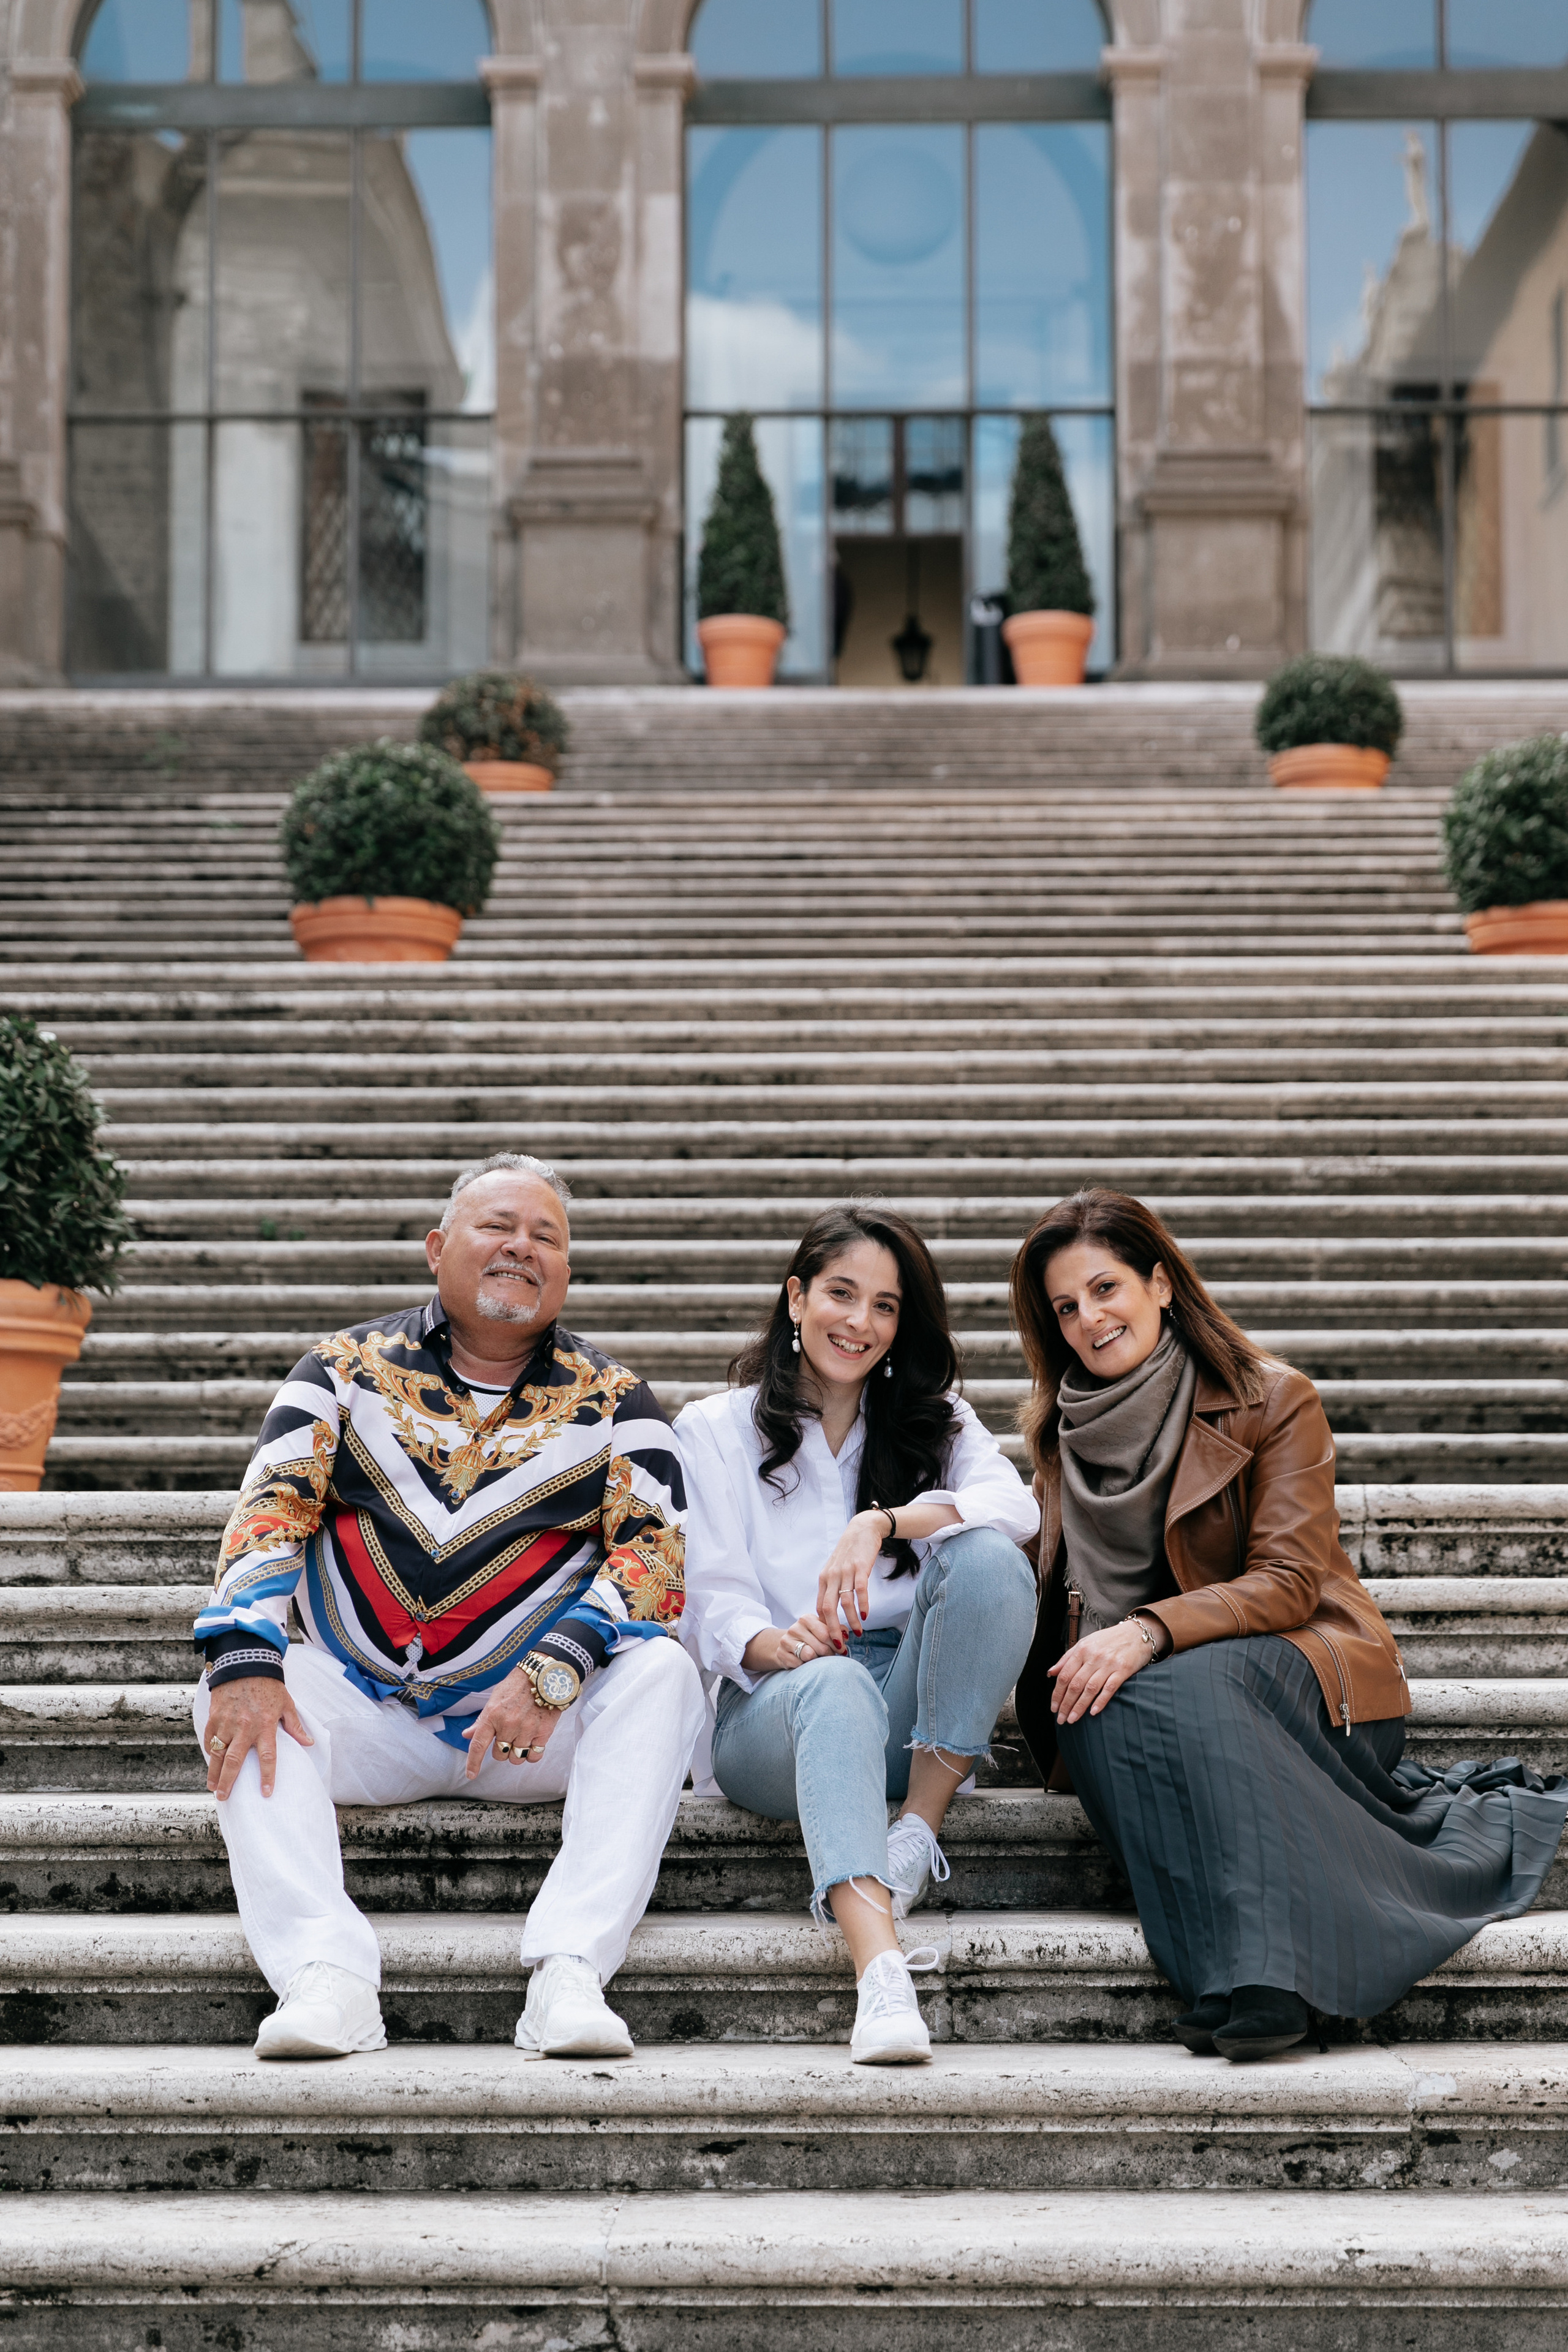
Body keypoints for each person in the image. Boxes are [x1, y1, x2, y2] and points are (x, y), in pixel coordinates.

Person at [1010, 1186, 1568, 2062]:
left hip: (1308, 1677)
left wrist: (1149, 1629)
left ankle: (1270, 1976)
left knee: (1188, 1676)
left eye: (1107, 1288)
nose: (1090, 1319)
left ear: (1160, 1284)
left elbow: (1289, 1581)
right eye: (1066, 1307)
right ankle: (1225, 1974)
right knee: (1088, 1704)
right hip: (1151, 1711)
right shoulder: (1057, 1441)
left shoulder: (1272, 1398)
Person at [193, 1152, 703, 2064]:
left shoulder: (618, 1399)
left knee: (662, 1673)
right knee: (234, 1682)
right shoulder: (341, 1369)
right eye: (497, 1227)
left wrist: (554, 1672)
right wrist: (247, 1657)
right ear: (438, 1249)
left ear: (567, 1271)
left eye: (546, 1236)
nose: (521, 1247)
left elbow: (653, 1555)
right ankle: (327, 1976)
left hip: (529, 1731)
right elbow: (269, 1511)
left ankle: (571, 1971)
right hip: (365, 1711)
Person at [677, 1204, 1039, 2065]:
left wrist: (884, 1521)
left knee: (987, 1555)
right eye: (842, 1294)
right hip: (775, 1712)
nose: (860, 1323)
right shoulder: (714, 1429)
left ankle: (916, 1830)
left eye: (885, 1306)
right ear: (797, 1299)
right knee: (834, 1685)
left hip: (909, 1713)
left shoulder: (932, 1419)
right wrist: (778, 1648)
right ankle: (879, 1973)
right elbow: (712, 1602)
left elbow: (1017, 1507)